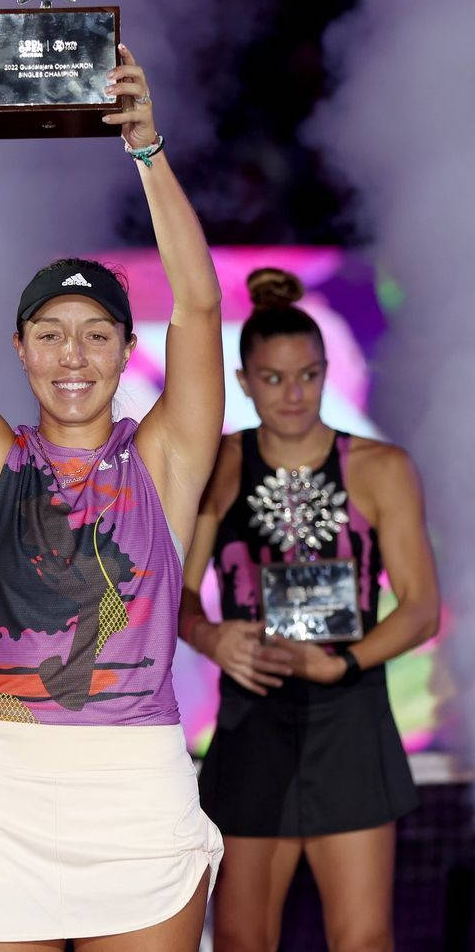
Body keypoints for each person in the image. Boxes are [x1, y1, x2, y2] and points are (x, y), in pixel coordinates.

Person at [0, 27, 224, 951]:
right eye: (49, 332)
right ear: (19, 350)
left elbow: (200, 306)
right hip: (1, 787)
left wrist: (148, 150)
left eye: (95, 332)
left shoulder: (160, 462)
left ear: (128, 351)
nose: (72, 354)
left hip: (136, 787)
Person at [179, 267, 440, 952]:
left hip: (349, 719)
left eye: (309, 375)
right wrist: (209, 636)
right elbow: (170, 595)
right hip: (251, 720)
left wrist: (344, 662)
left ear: (327, 372)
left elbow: (421, 608)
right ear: (243, 381)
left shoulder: (379, 468)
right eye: (273, 378)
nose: (293, 394)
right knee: (241, 938)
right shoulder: (220, 464)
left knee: (362, 938)